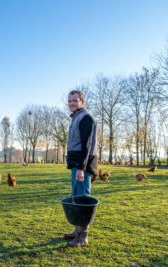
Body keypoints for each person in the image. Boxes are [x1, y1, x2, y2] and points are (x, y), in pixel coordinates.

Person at [64, 90, 98, 247]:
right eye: (70, 100)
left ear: (82, 102)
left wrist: (81, 168)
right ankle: (77, 230)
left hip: (82, 165)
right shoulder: (76, 118)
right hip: (77, 165)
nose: (72, 103)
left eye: (75, 100)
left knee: (83, 197)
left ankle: (83, 237)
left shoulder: (86, 118)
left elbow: (86, 145)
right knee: (77, 197)